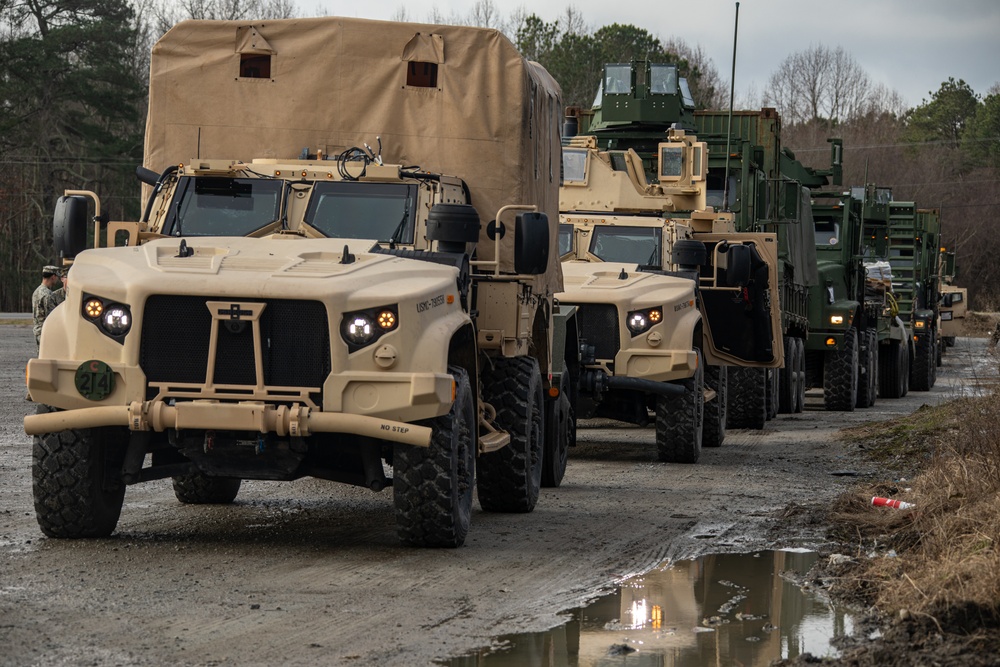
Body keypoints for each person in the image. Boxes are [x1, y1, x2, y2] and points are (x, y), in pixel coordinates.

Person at [32, 265, 62, 349]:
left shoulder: (37, 291)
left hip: (38, 330)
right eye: (57, 277)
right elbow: (51, 317)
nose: (57, 280)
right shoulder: (48, 294)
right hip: (46, 333)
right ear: (53, 277)